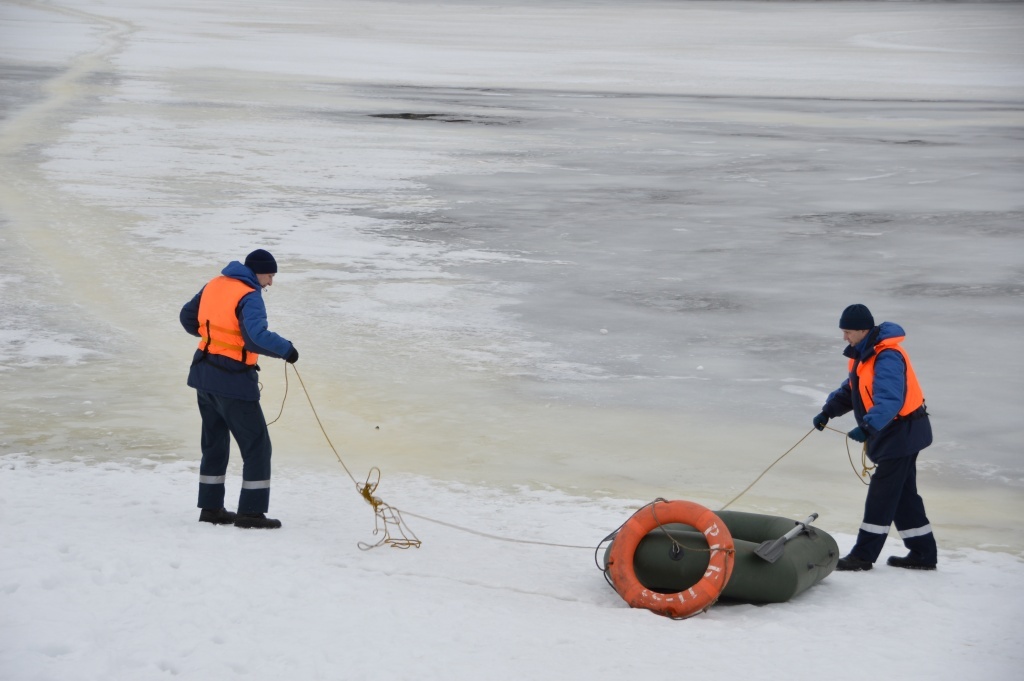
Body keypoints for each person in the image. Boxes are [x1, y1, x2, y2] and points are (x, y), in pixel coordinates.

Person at [812, 304, 937, 571]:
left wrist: (867, 428)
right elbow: (853, 389)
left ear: (862, 330)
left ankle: (863, 556)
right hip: (896, 433)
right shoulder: (863, 354)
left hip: (903, 433)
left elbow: (890, 400)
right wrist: (828, 411)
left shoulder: (887, 356)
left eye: (847, 332)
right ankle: (923, 553)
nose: (844, 337)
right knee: (903, 496)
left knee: (882, 494)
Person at [180, 249, 298, 529]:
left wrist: (215, 336)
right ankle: (251, 513)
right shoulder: (249, 294)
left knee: (214, 444)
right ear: (258, 272)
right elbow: (255, 337)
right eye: (270, 275)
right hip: (232, 380)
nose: (270, 282)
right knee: (257, 446)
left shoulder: (215, 284)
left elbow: (187, 317)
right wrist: (287, 350)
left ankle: (211, 509)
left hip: (204, 375)